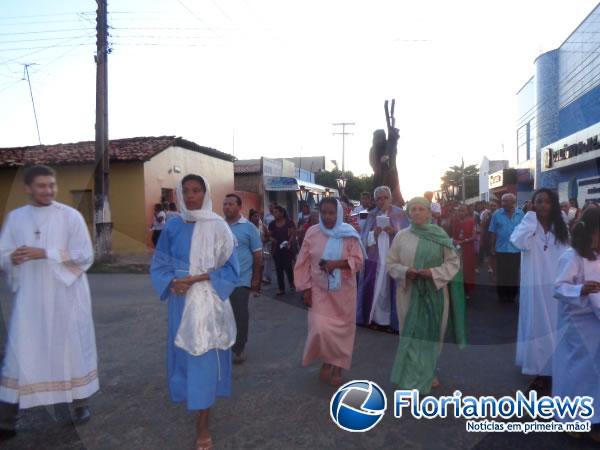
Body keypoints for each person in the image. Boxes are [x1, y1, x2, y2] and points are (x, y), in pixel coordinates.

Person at [0, 165, 98, 438]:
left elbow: (84, 255)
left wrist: (45, 252)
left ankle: (79, 404)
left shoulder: (70, 216)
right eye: (42, 186)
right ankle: (7, 417)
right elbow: (2, 252)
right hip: (31, 297)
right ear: (28, 189)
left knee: (69, 348)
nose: (48, 190)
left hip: (66, 295)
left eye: (51, 185)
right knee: (21, 350)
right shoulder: (16, 218)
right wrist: (11, 258)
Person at [150, 174, 240, 450]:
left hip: (209, 303)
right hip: (180, 302)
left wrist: (197, 279)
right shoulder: (173, 227)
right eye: (185, 190)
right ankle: (194, 401)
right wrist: (171, 283)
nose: (190, 196)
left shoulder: (218, 227)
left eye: (196, 190)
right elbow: (160, 264)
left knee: (202, 358)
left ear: (205, 192)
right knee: (184, 358)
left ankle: (203, 423)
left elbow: (230, 270)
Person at [387, 197, 465, 393]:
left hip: (436, 293)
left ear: (429, 212)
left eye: (421, 209)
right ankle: (411, 374)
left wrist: (433, 273)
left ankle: (429, 370)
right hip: (408, 292)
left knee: (433, 333)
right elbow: (390, 263)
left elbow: (453, 263)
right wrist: (406, 272)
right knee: (410, 331)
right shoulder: (401, 237)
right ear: (408, 213)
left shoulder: (440, 235)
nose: (417, 213)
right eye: (413, 209)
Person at [294, 198, 365, 386]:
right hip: (318, 290)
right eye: (323, 212)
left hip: (344, 292)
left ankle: (338, 366)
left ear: (339, 213)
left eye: (331, 213)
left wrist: (337, 264)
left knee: (343, 331)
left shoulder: (349, 234)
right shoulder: (312, 232)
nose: (327, 216)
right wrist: (305, 288)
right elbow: (302, 262)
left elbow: (358, 262)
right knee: (320, 329)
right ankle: (326, 360)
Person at [510, 189, 569, 396]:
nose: (543, 205)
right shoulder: (529, 223)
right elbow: (517, 242)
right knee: (537, 328)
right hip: (534, 285)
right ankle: (540, 373)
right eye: (539, 202)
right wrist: (530, 219)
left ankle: (556, 369)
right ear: (533, 204)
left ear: (553, 204)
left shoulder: (560, 226)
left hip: (556, 284)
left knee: (556, 325)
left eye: (547, 202)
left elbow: (568, 253)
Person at [554, 207, 600, 442]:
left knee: (594, 370)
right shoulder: (572, 257)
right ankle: (570, 417)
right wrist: (580, 289)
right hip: (578, 320)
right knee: (578, 368)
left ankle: (592, 416)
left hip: (597, 319)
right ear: (591, 232)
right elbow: (559, 288)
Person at [356, 185, 409, 332]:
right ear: (375, 200)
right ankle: (375, 319)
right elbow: (364, 238)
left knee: (392, 289)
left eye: (385, 197)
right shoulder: (371, 215)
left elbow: (407, 236)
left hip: (393, 258)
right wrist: (375, 233)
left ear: (390, 198)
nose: (382, 201)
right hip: (376, 259)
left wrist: (394, 232)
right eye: (378, 198)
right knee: (377, 289)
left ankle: (392, 322)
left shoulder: (399, 214)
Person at [223, 194, 262, 364]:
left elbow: (258, 255)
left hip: (241, 280)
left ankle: (239, 348)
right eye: (225, 204)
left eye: (231, 204)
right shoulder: (219, 227)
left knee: (239, 314)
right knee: (222, 315)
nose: (227, 207)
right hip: (221, 279)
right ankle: (224, 345)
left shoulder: (249, 228)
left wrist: (255, 279)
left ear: (239, 207)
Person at [489, 193, 524, 303]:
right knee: (502, 273)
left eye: (506, 201)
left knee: (513, 273)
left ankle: (512, 295)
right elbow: (493, 232)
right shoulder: (496, 214)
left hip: (516, 249)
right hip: (501, 249)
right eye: (502, 201)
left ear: (513, 202)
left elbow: (524, 231)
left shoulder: (521, 213)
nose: (503, 203)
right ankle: (502, 295)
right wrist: (492, 246)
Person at [268, 205, 296, 296]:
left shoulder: (289, 222)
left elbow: (292, 234)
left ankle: (291, 282)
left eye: (276, 212)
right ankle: (281, 288)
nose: (274, 214)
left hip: (287, 249)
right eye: (273, 212)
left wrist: (289, 242)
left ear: (282, 213)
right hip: (277, 249)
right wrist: (272, 239)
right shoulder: (272, 224)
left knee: (288, 268)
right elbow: (269, 235)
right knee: (278, 269)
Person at [452, 204, 477, 296]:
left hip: (468, 248)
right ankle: (458, 289)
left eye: (463, 210)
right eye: (459, 210)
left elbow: (474, 236)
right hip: (457, 248)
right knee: (458, 268)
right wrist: (454, 241)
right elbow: (453, 234)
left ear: (467, 211)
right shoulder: (455, 221)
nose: (461, 212)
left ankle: (467, 290)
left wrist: (463, 241)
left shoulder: (471, 221)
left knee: (467, 269)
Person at [480, 199, 499, 275]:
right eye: (491, 205)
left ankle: (495, 267)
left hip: (497, 236)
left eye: (494, 205)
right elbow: (482, 225)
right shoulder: (485, 213)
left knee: (496, 253)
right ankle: (490, 267)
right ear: (489, 206)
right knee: (488, 253)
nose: (493, 207)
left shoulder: (499, 214)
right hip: (487, 235)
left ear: (497, 206)